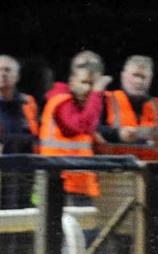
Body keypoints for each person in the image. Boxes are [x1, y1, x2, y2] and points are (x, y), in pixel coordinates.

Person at [40, 63, 108, 203]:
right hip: (61, 184)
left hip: (77, 184)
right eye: (84, 82)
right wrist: (97, 94)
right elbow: (80, 125)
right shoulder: (61, 101)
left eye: (92, 84)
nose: (88, 89)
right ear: (71, 82)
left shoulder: (77, 106)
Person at [98, 55, 158, 162]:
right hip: (116, 170)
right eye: (135, 75)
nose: (138, 81)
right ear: (123, 76)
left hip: (151, 171)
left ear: (150, 79)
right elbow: (92, 128)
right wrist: (118, 134)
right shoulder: (106, 100)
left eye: (143, 77)